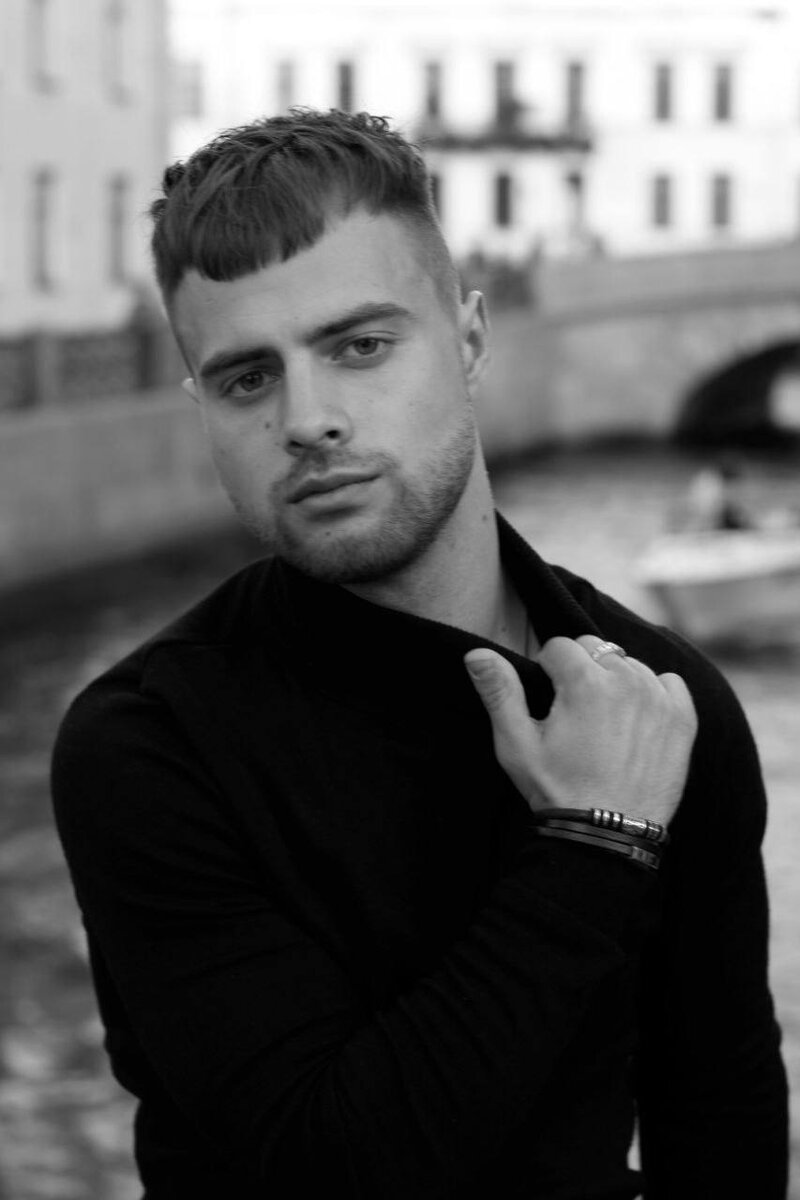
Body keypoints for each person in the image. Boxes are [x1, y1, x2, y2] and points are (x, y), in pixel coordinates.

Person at [51, 110, 788, 1199]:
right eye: (248, 378)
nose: (308, 420)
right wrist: (596, 841)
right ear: (201, 403)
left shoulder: (665, 705)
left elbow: (720, 1120)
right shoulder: (149, 743)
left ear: (471, 339)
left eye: (359, 347)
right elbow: (324, 1165)